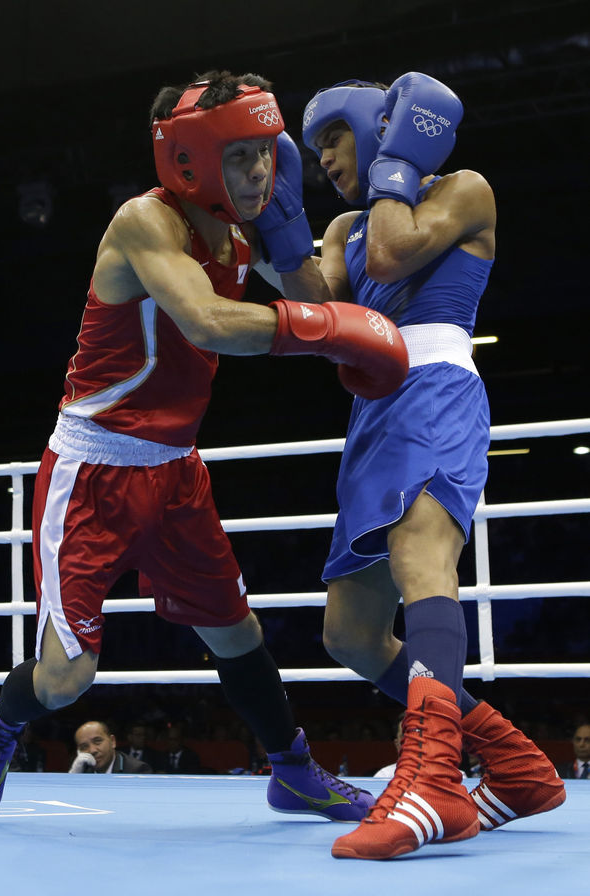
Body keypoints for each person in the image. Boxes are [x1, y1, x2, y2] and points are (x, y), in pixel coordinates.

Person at [0, 69, 408, 823]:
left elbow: (323, 302)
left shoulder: (243, 225)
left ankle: (293, 771)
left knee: (237, 631)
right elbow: (209, 323)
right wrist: (330, 333)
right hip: (95, 467)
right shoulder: (147, 222)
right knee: (68, 678)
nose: (261, 170)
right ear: (189, 159)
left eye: (266, 151)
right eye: (240, 157)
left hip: (175, 472)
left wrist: (291, 229)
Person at [300, 72, 566, 859]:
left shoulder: (465, 191)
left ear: (377, 125)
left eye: (335, 139)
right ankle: (514, 764)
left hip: (439, 389)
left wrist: (398, 167)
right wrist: (284, 231)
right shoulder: (344, 224)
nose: (327, 162)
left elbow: (393, 252)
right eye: (317, 152)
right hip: (373, 413)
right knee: (349, 634)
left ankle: (434, 779)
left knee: (422, 559)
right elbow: (321, 311)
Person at [69, 721, 152, 774]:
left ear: (112, 741)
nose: (92, 750)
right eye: (84, 747)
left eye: (97, 741)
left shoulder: (137, 770)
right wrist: (74, 776)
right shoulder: (81, 769)